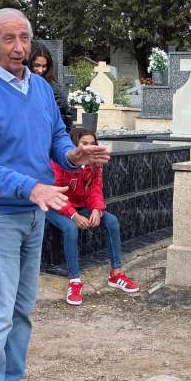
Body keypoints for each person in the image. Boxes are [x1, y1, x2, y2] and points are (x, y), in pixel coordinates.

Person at [0, 8, 110, 381]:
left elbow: (57, 137)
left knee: (23, 307)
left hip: (32, 212)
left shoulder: (40, 88)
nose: (19, 47)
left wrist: (73, 157)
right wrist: (31, 188)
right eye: (9, 38)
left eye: (24, 37)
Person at [46, 127, 138, 306]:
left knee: (111, 221)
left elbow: (95, 187)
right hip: (55, 206)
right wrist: (73, 215)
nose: (89, 147)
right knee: (71, 228)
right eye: (84, 143)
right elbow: (56, 192)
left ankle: (116, 273)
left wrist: (97, 209)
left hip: (81, 206)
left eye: (92, 143)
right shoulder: (59, 162)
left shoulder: (95, 162)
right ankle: (74, 281)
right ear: (75, 145)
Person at [28, 43, 73, 131]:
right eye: (37, 65)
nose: (40, 70)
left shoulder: (53, 89)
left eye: (44, 66)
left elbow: (64, 118)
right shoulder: (23, 83)